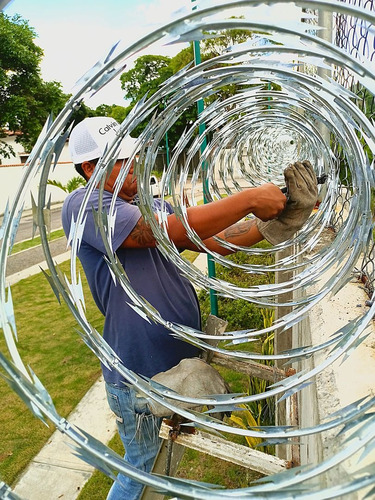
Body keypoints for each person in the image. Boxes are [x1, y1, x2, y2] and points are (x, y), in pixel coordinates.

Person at [62, 116, 317, 499]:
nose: (134, 164)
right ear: (89, 168)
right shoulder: (85, 206)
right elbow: (163, 231)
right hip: (140, 375)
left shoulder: (150, 204)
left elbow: (213, 241)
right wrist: (248, 199)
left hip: (175, 366)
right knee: (140, 470)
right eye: (120, 159)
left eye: (133, 155)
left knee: (155, 468)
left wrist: (280, 220)